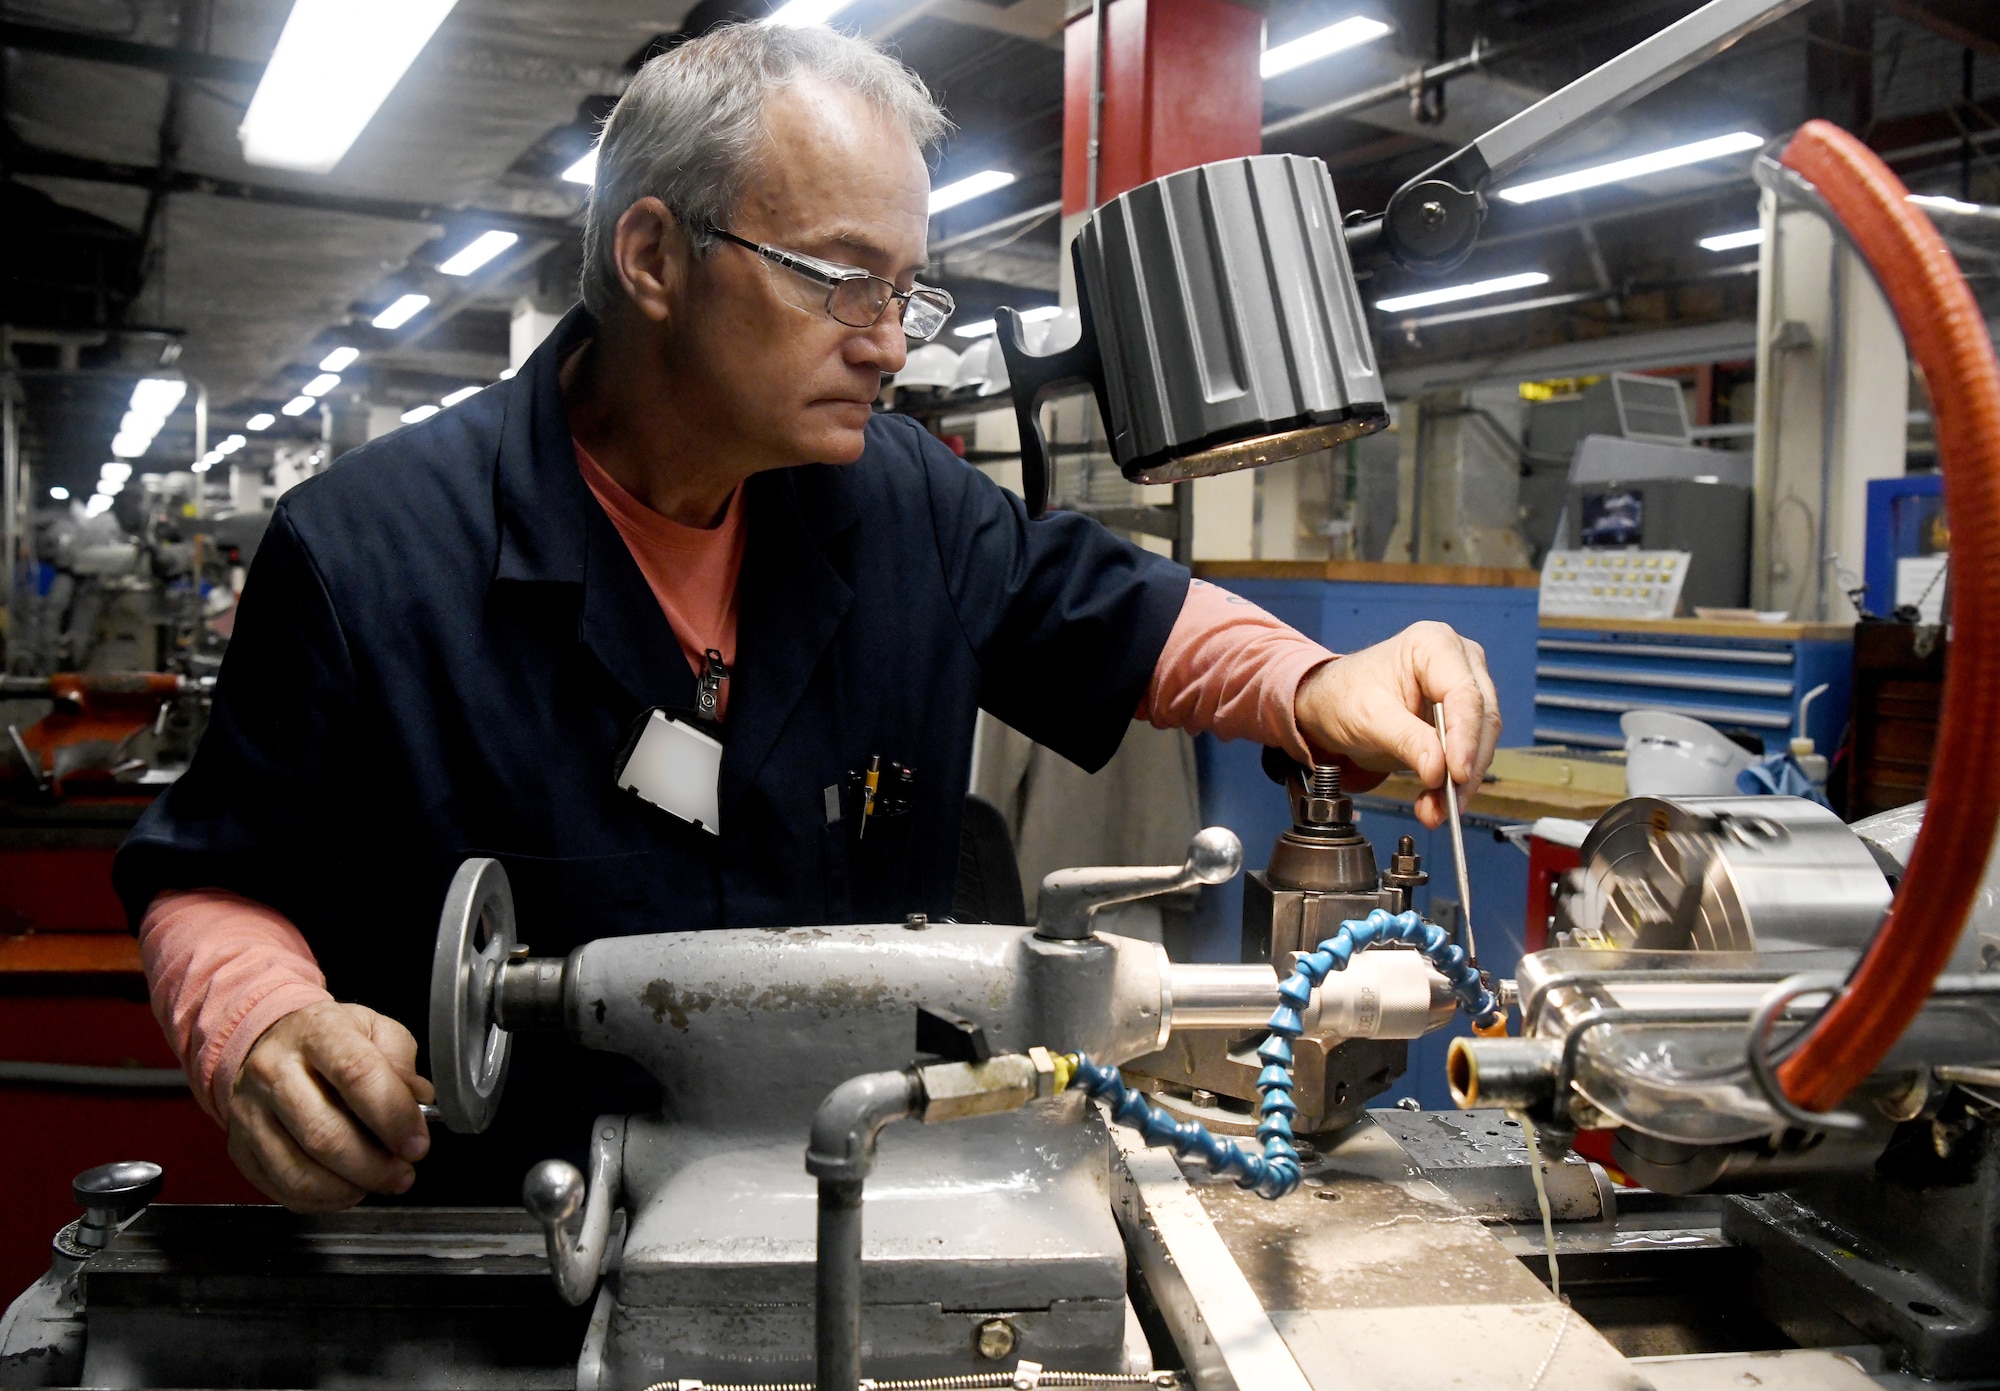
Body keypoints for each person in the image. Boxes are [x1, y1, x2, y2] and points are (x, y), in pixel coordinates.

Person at [116, 23, 1499, 1214]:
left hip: (847, 1205)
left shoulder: (893, 498)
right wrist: (263, 1028)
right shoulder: (370, 550)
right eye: (845, 280)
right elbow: (215, 876)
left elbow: (1119, 617)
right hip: (496, 1248)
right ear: (654, 253)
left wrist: (1319, 684)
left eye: (907, 290)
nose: (892, 340)